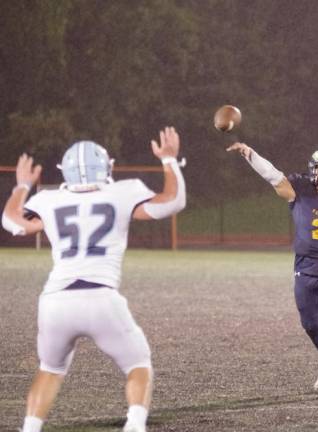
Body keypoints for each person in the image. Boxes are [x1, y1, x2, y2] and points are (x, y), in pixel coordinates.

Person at [2, 128, 186, 432]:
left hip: (56, 300)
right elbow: (172, 202)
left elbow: (12, 222)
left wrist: (22, 185)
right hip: (101, 297)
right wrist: (168, 160)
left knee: (50, 369)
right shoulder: (123, 191)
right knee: (138, 364)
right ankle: (135, 425)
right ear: (108, 168)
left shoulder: (49, 199)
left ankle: (30, 428)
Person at [226, 142, 318, 398]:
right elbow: (273, 176)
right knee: (310, 324)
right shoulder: (300, 190)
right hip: (304, 268)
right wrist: (251, 154)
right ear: (313, 171)